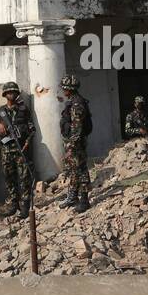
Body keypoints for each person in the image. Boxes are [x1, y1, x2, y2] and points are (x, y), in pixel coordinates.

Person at [0, 81, 36, 219]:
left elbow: (31, 129)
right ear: (5, 94)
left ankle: (25, 206)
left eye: (14, 92)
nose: (11, 94)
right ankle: (13, 204)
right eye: (9, 92)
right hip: (6, 150)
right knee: (9, 178)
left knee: (24, 178)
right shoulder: (0, 112)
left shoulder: (23, 110)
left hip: (21, 149)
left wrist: (27, 143)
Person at [58, 74, 92, 213]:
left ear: (69, 89)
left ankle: (84, 200)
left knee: (81, 170)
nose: (62, 91)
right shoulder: (73, 101)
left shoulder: (77, 104)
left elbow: (77, 128)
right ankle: (72, 197)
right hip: (73, 143)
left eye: (64, 88)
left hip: (76, 144)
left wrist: (71, 147)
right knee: (73, 170)